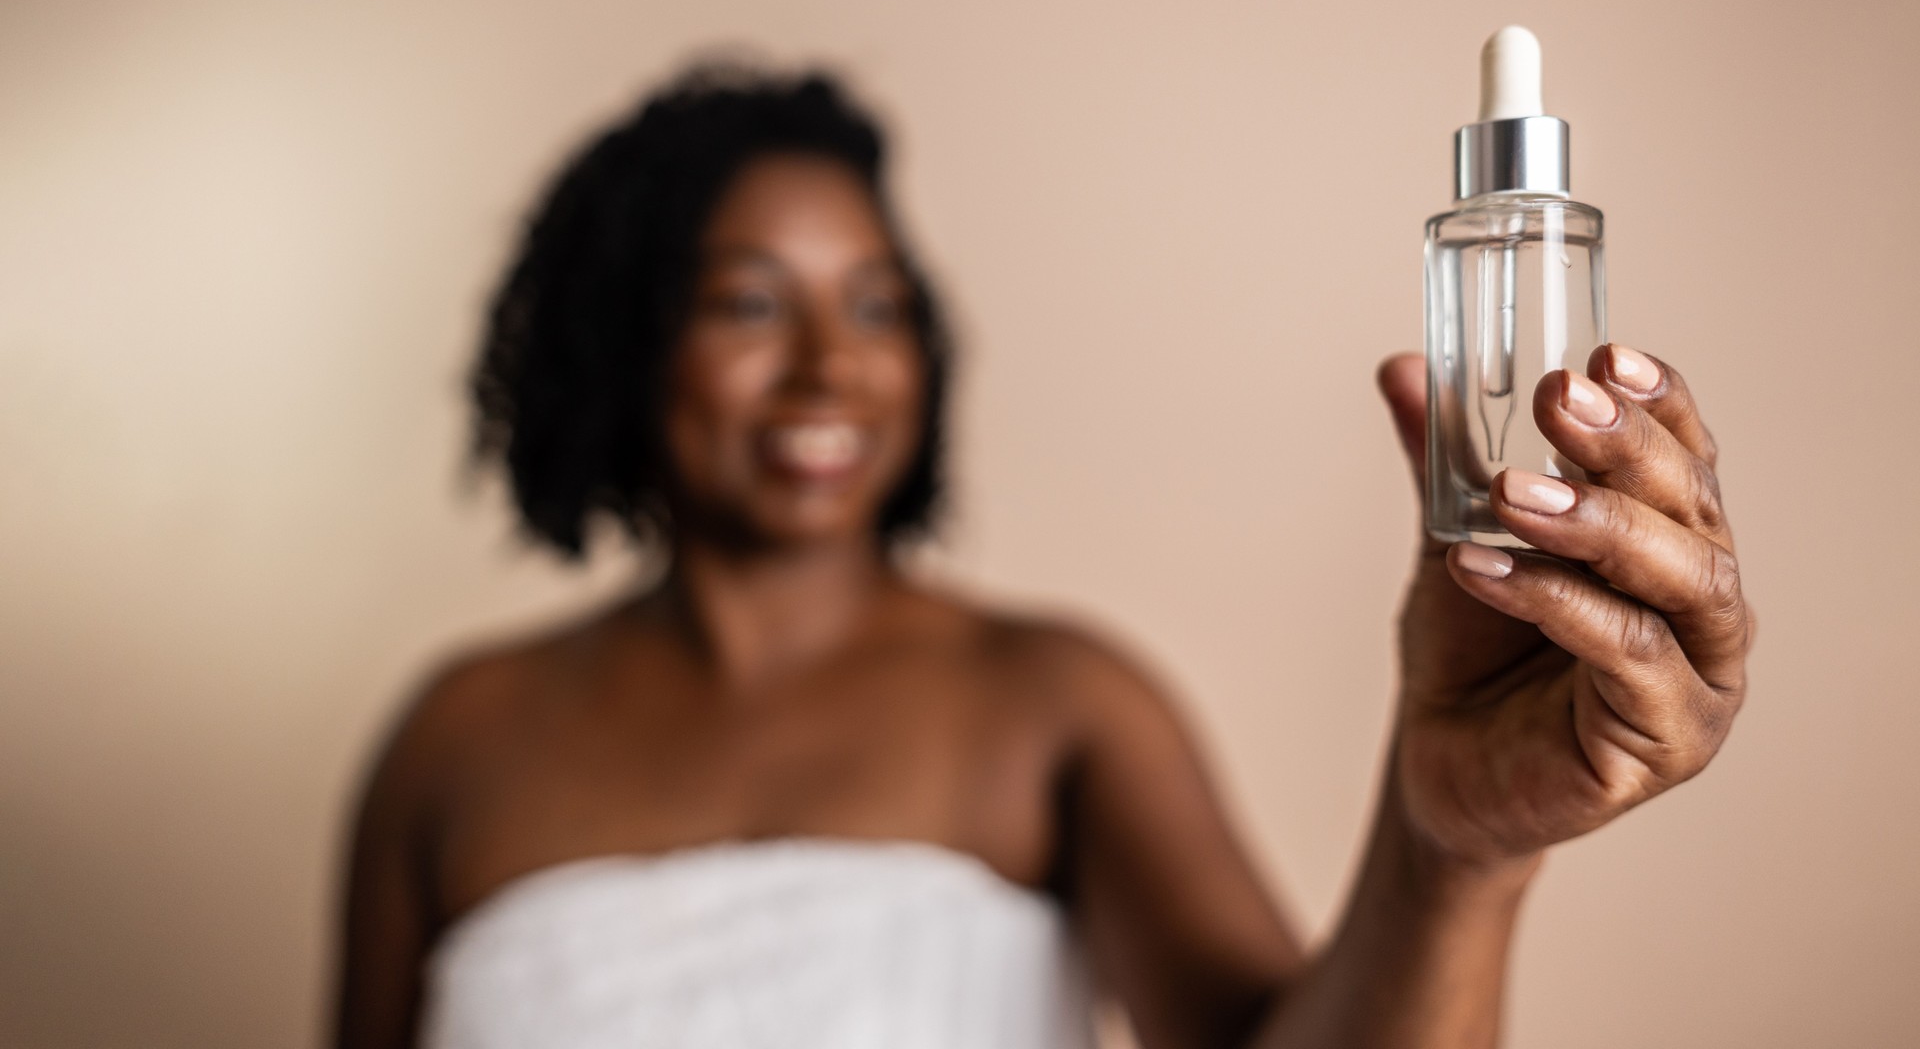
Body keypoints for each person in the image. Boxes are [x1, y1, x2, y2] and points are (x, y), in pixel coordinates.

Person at [331, 65, 1751, 1049]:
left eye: (878, 305)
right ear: (622, 342)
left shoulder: (1060, 703)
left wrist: (1461, 855)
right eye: (752, 302)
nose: (833, 364)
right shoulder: (457, 742)